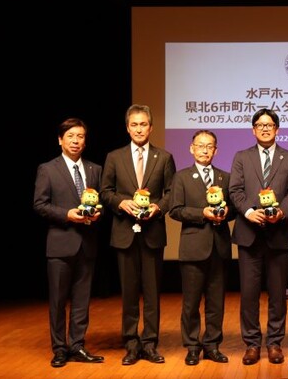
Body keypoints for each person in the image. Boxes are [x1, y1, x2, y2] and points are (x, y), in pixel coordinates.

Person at [101, 104, 176, 365]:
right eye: (134, 124)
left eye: (143, 124)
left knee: (152, 293)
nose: (139, 129)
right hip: (124, 232)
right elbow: (105, 191)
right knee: (129, 293)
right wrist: (120, 203)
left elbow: (171, 193)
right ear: (127, 128)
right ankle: (131, 344)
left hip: (152, 232)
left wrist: (158, 207)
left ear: (151, 127)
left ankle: (150, 343)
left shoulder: (164, 157)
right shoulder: (114, 157)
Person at [229, 108, 288, 365]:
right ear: (253, 130)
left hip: (278, 234)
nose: (264, 128)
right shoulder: (242, 157)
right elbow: (235, 190)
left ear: (277, 129)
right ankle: (251, 344)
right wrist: (249, 212)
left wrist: (280, 212)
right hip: (248, 235)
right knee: (249, 294)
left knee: (277, 294)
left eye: (269, 125)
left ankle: (274, 343)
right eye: (260, 125)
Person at [33, 118, 105, 368]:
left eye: (80, 136)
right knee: (58, 301)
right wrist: (67, 214)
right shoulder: (47, 169)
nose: (76, 141)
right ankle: (59, 349)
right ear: (60, 140)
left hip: (87, 244)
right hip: (60, 244)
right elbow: (40, 204)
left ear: (85, 141)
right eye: (71, 136)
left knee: (82, 300)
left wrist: (98, 213)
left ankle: (77, 346)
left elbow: (100, 202)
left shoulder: (95, 169)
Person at [169, 130, 235, 366]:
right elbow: (175, 210)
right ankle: (192, 346)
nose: (205, 150)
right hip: (193, 247)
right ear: (191, 148)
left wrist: (226, 213)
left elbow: (234, 209)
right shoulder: (181, 177)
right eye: (200, 146)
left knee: (216, 302)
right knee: (191, 302)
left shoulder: (225, 177)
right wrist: (202, 214)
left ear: (216, 150)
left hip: (219, 247)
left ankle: (212, 345)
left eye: (209, 147)